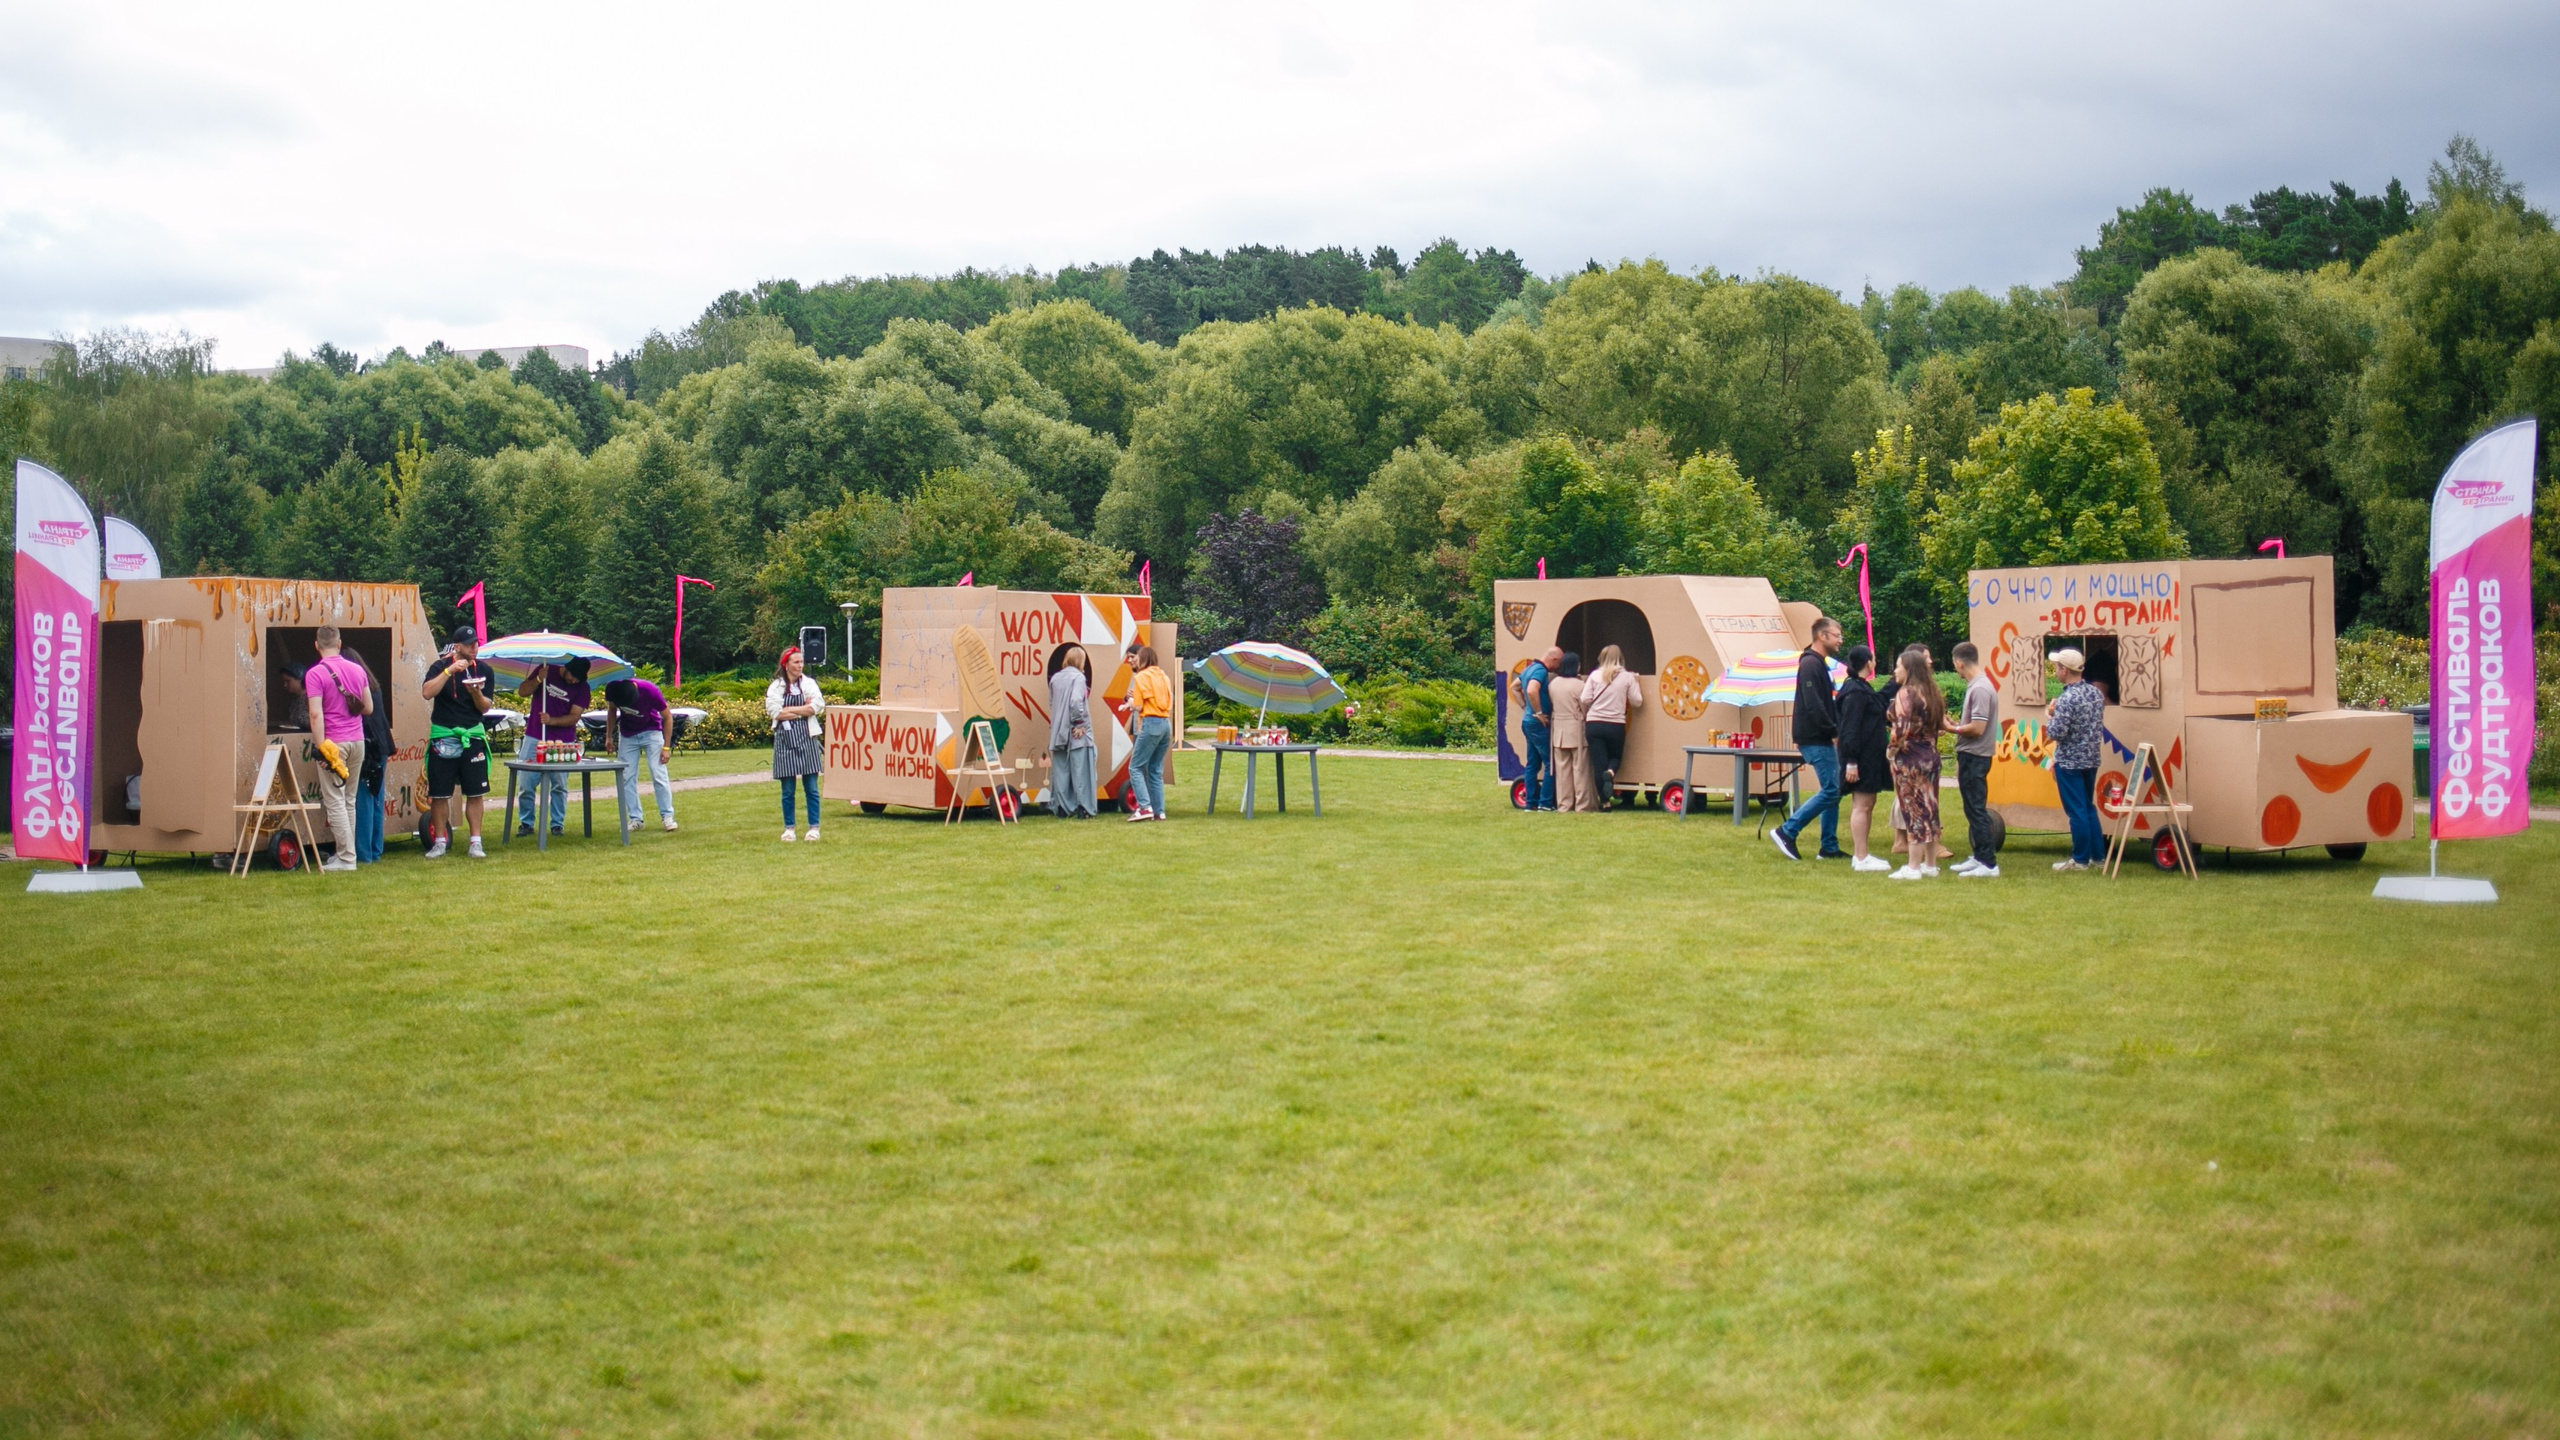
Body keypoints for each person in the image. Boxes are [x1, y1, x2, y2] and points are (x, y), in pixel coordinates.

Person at [1771, 616, 1846, 861]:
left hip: (1820, 735)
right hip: (1816, 737)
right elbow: (1813, 705)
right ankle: (1787, 831)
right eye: (1836, 635)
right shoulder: (1811, 665)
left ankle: (1829, 847)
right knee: (1832, 790)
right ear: (1821, 636)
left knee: (1832, 790)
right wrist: (1833, 731)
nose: (1840, 640)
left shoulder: (1818, 663)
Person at [302, 624, 372, 873]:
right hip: (357, 741)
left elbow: (315, 713)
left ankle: (346, 858)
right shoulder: (357, 669)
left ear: (316, 645)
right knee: (349, 800)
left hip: (334, 743)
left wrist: (322, 747)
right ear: (339, 643)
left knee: (335, 801)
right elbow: (368, 708)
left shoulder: (314, 674)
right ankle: (347, 854)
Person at [422, 626, 495, 859]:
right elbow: (426, 692)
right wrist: (449, 671)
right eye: (470, 644)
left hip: (472, 735)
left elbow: (485, 706)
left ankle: (476, 842)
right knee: (440, 793)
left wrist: (475, 693)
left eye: (476, 643)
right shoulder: (439, 667)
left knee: (475, 792)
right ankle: (440, 842)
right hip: (443, 735)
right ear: (457, 647)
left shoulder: (484, 670)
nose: (475, 647)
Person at [513, 658, 592, 836]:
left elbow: (574, 717)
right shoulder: (546, 669)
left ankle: (557, 824)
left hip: (562, 741)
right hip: (534, 736)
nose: (574, 682)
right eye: (573, 678)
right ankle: (526, 823)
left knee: (559, 784)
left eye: (579, 680)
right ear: (567, 669)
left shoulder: (582, 688)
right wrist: (539, 680)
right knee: (526, 782)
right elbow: (522, 692)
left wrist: (551, 721)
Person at [1886, 649, 1946, 879]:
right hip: (1930, 756)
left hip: (1910, 759)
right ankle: (1930, 865)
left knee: (1914, 811)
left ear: (1908, 669)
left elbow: (1900, 731)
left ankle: (1912, 867)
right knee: (1930, 809)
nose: (1895, 670)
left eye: (1898, 666)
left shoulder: (1906, 694)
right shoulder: (1931, 692)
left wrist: (1891, 751)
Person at [2046, 647, 2107, 871]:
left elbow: (2056, 733)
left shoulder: (2067, 698)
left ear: (2065, 670)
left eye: (2057, 667)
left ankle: (2080, 859)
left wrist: (2049, 717)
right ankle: (2097, 856)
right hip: (2091, 759)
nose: (2055, 672)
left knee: (2076, 811)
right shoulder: (2095, 694)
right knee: (2088, 808)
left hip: (2069, 761)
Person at [1834, 645, 1892, 873]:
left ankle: (1863, 854)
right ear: (1869, 662)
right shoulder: (1854, 692)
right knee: (1861, 805)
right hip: (1860, 758)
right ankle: (1860, 856)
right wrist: (1851, 761)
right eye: (1874, 659)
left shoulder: (1861, 688)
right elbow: (1850, 728)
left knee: (1867, 804)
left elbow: (1878, 702)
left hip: (1869, 757)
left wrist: (1894, 682)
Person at [1947, 641, 2000, 878]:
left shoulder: (1979, 688)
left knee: (1976, 809)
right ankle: (1978, 856)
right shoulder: (1978, 684)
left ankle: (1988, 863)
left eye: (1955, 666)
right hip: (1973, 754)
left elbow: (1977, 728)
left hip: (1976, 755)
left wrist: (1952, 728)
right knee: (1971, 808)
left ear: (1959, 662)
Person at [604, 676, 678, 834]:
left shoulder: (650, 690)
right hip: (627, 735)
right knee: (626, 776)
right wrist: (609, 736)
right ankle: (635, 818)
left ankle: (667, 816)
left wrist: (666, 747)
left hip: (651, 732)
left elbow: (668, 717)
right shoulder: (612, 688)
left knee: (658, 773)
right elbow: (611, 710)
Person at [768, 648, 826, 841]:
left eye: (801, 662)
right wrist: (803, 710)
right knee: (788, 790)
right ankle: (789, 828)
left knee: (811, 788)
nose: (800, 665)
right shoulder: (776, 687)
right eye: (796, 662)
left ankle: (814, 827)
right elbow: (775, 712)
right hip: (785, 741)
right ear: (786, 664)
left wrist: (790, 708)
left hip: (807, 738)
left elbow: (816, 707)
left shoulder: (809, 684)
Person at [1581, 644, 1642, 810]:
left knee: (1598, 763)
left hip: (1594, 724)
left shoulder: (1595, 675)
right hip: (1615, 724)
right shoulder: (1627, 677)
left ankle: (1605, 803)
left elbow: (1585, 699)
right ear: (1621, 658)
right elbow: (1637, 702)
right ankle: (1611, 773)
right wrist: (1636, 683)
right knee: (1615, 758)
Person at [352, 651, 393, 864]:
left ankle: (363, 853)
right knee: (376, 797)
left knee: (364, 799)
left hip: (368, 746)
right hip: (382, 744)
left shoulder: (355, 686)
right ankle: (375, 850)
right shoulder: (373, 687)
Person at [1048, 646, 1098, 818]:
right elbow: (1076, 701)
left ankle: (1062, 807)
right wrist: (1079, 723)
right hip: (1076, 730)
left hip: (1057, 730)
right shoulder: (1079, 678)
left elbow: (1052, 704)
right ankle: (1084, 808)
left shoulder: (1055, 678)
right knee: (1081, 768)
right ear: (1080, 661)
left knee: (1060, 770)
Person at [1126, 644, 1173, 821]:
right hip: (1165, 724)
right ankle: (1159, 811)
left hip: (1150, 722)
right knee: (1155, 769)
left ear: (1143, 659)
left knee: (1135, 767)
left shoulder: (1141, 677)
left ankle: (1144, 807)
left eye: (1136, 658)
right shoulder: (1163, 676)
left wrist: (1130, 703)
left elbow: (1138, 705)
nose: (1133, 661)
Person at [1548, 652, 1593, 812]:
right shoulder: (1580, 685)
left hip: (1558, 729)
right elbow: (1586, 708)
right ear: (1576, 666)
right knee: (1580, 769)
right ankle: (1582, 805)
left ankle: (1564, 804)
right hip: (1576, 729)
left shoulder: (1553, 684)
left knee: (1562, 772)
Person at [1514, 645, 1558, 811]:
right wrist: (1538, 712)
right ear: (1553, 660)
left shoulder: (1529, 668)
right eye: (1558, 663)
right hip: (1538, 724)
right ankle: (1545, 803)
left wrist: (1525, 708)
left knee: (1532, 764)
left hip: (1527, 722)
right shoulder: (1540, 671)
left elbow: (1514, 687)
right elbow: (1532, 690)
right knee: (1549, 763)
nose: (1558, 667)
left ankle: (1530, 802)